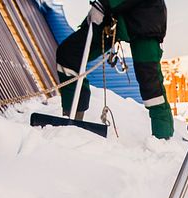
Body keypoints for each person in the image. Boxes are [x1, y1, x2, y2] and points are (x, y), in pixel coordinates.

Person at [56, 0, 174, 139]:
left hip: (144, 17)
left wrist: (103, 4)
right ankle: (74, 118)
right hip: (115, 15)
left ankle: (163, 138)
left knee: (150, 85)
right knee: (69, 54)